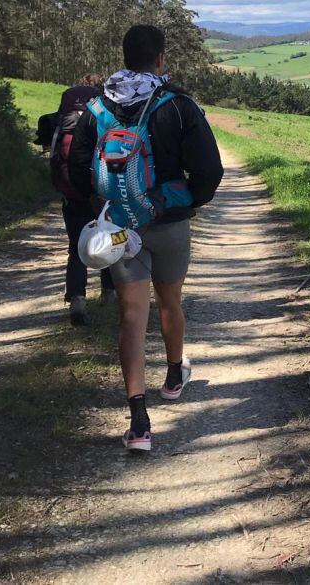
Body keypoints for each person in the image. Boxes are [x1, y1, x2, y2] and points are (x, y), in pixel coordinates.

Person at [69, 25, 223, 452]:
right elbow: (210, 169)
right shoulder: (177, 106)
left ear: (124, 55)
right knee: (170, 302)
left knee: (132, 317)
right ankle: (174, 376)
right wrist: (186, 200)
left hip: (121, 229)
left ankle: (138, 423)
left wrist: (105, 206)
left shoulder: (98, 107)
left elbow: (78, 168)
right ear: (160, 59)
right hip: (169, 222)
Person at [50, 74, 116, 325]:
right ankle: (109, 293)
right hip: (100, 193)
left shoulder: (63, 120)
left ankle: (77, 299)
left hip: (72, 194)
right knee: (108, 238)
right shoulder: (104, 117)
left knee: (76, 247)